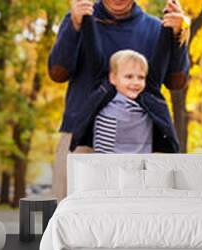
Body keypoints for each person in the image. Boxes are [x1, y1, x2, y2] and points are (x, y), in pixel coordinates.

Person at [49, 0, 190, 200]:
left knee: (135, 218)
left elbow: (176, 82)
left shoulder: (155, 27)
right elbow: (57, 73)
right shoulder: (78, 17)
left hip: (139, 140)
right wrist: (74, 25)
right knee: (71, 213)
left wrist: (177, 36)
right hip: (82, 137)